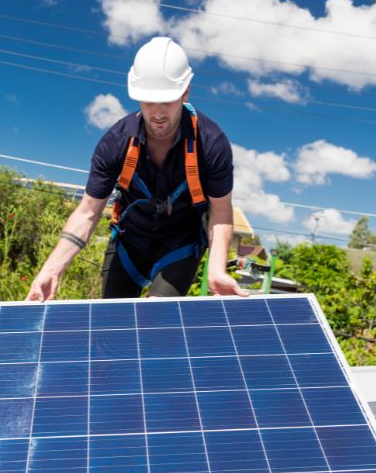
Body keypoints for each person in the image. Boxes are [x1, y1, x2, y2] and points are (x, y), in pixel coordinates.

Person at [27, 36, 248, 301]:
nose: (157, 113)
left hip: (179, 246)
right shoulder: (116, 142)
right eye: (147, 101)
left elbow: (221, 211)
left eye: (166, 101)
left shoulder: (211, 143)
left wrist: (216, 269)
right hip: (129, 243)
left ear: (185, 92)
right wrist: (51, 270)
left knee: (155, 319)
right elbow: (87, 211)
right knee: (115, 324)